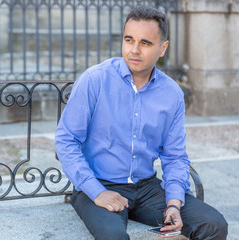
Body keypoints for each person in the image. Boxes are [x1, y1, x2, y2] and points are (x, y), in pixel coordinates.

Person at [55, 6, 228, 240]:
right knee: (113, 236)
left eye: (145, 43)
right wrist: (97, 192)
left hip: (147, 188)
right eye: (129, 40)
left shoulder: (171, 93)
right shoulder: (95, 80)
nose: (134, 50)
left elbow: (175, 155)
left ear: (162, 48)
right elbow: (66, 141)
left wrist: (174, 203)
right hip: (98, 184)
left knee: (214, 225)